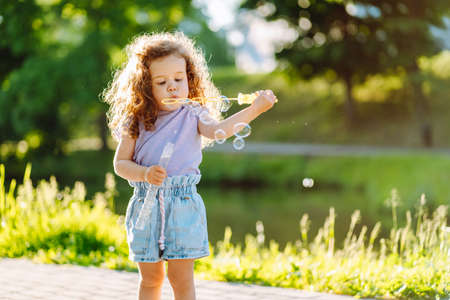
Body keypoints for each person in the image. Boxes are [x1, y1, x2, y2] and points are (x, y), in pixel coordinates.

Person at [102, 31, 277, 300]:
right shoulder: (136, 120)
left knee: (180, 279)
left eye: (178, 79)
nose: (172, 87)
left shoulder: (194, 113)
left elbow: (219, 130)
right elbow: (120, 164)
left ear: (190, 78)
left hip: (183, 203)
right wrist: (145, 173)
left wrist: (255, 109)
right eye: (161, 82)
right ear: (145, 86)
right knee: (151, 279)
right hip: (146, 204)